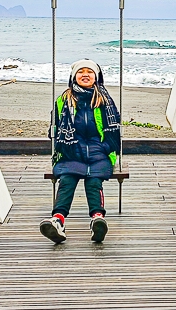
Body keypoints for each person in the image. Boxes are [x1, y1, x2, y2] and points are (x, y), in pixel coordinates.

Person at [40, 59, 121, 244]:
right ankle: (58, 221)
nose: (85, 75)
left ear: (96, 77)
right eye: (80, 72)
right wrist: (63, 145)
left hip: (99, 152)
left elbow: (114, 130)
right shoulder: (63, 100)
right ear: (74, 77)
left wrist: (105, 148)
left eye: (89, 72)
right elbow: (55, 129)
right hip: (71, 151)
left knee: (94, 180)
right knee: (67, 179)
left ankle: (97, 220)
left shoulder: (104, 100)